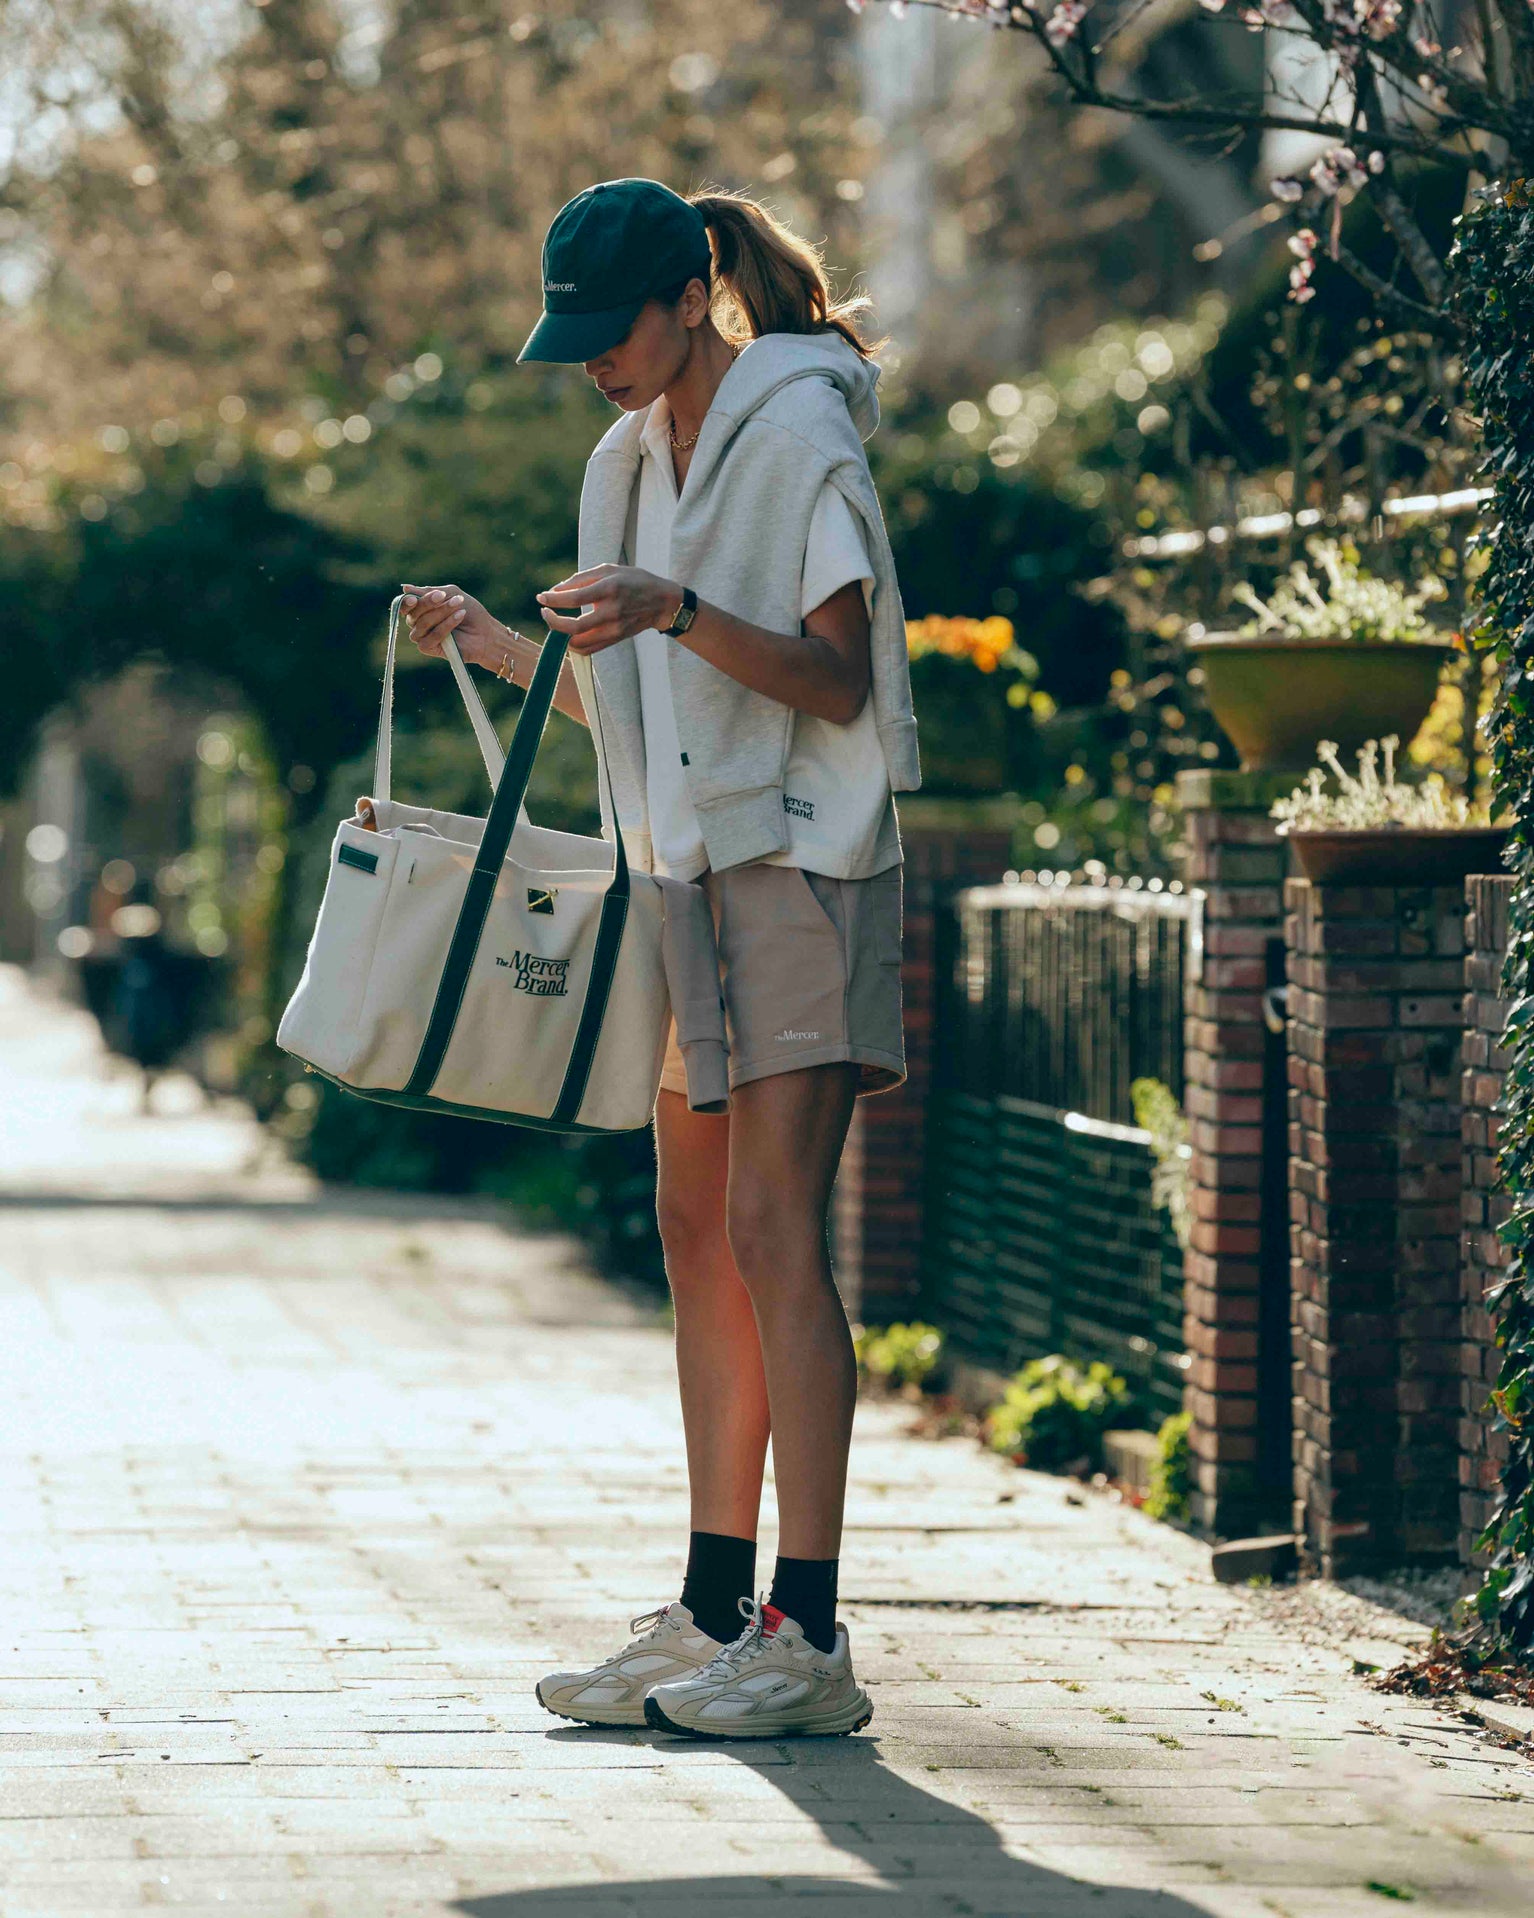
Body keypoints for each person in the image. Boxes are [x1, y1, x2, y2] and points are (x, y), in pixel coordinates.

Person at [402, 178, 920, 1740]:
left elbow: (836, 684)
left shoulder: (803, 432)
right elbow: (631, 711)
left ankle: (808, 1636)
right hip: (684, 875)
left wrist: (679, 606)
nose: (588, 364)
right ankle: (710, 1605)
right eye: (566, 339)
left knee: (772, 1228)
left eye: (606, 330)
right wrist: (504, 641)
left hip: (805, 869)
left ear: (691, 293)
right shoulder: (622, 462)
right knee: (692, 1226)